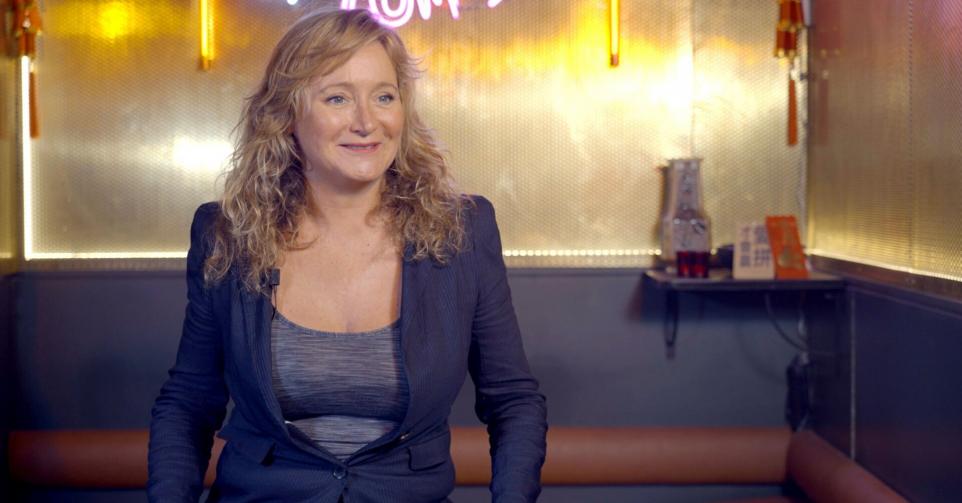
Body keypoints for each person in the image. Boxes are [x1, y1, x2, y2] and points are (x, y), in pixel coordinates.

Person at [148, 8, 547, 503]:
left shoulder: (463, 230)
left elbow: (513, 401)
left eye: (384, 96)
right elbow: (189, 402)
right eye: (337, 97)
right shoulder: (226, 233)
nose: (367, 121)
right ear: (287, 115)